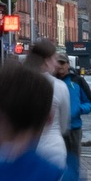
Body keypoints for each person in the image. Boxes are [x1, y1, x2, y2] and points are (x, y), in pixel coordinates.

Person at [22, 40, 70, 169]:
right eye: (54, 59)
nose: (56, 64)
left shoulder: (18, 83)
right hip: (52, 147)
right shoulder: (60, 87)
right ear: (47, 60)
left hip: (22, 149)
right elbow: (64, 124)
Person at [55, 50, 91, 166]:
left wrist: (78, 109)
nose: (60, 66)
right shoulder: (51, 81)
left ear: (68, 64)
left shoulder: (78, 81)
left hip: (74, 128)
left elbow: (90, 103)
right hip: (55, 129)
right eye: (57, 63)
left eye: (62, 63)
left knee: (73, 162)